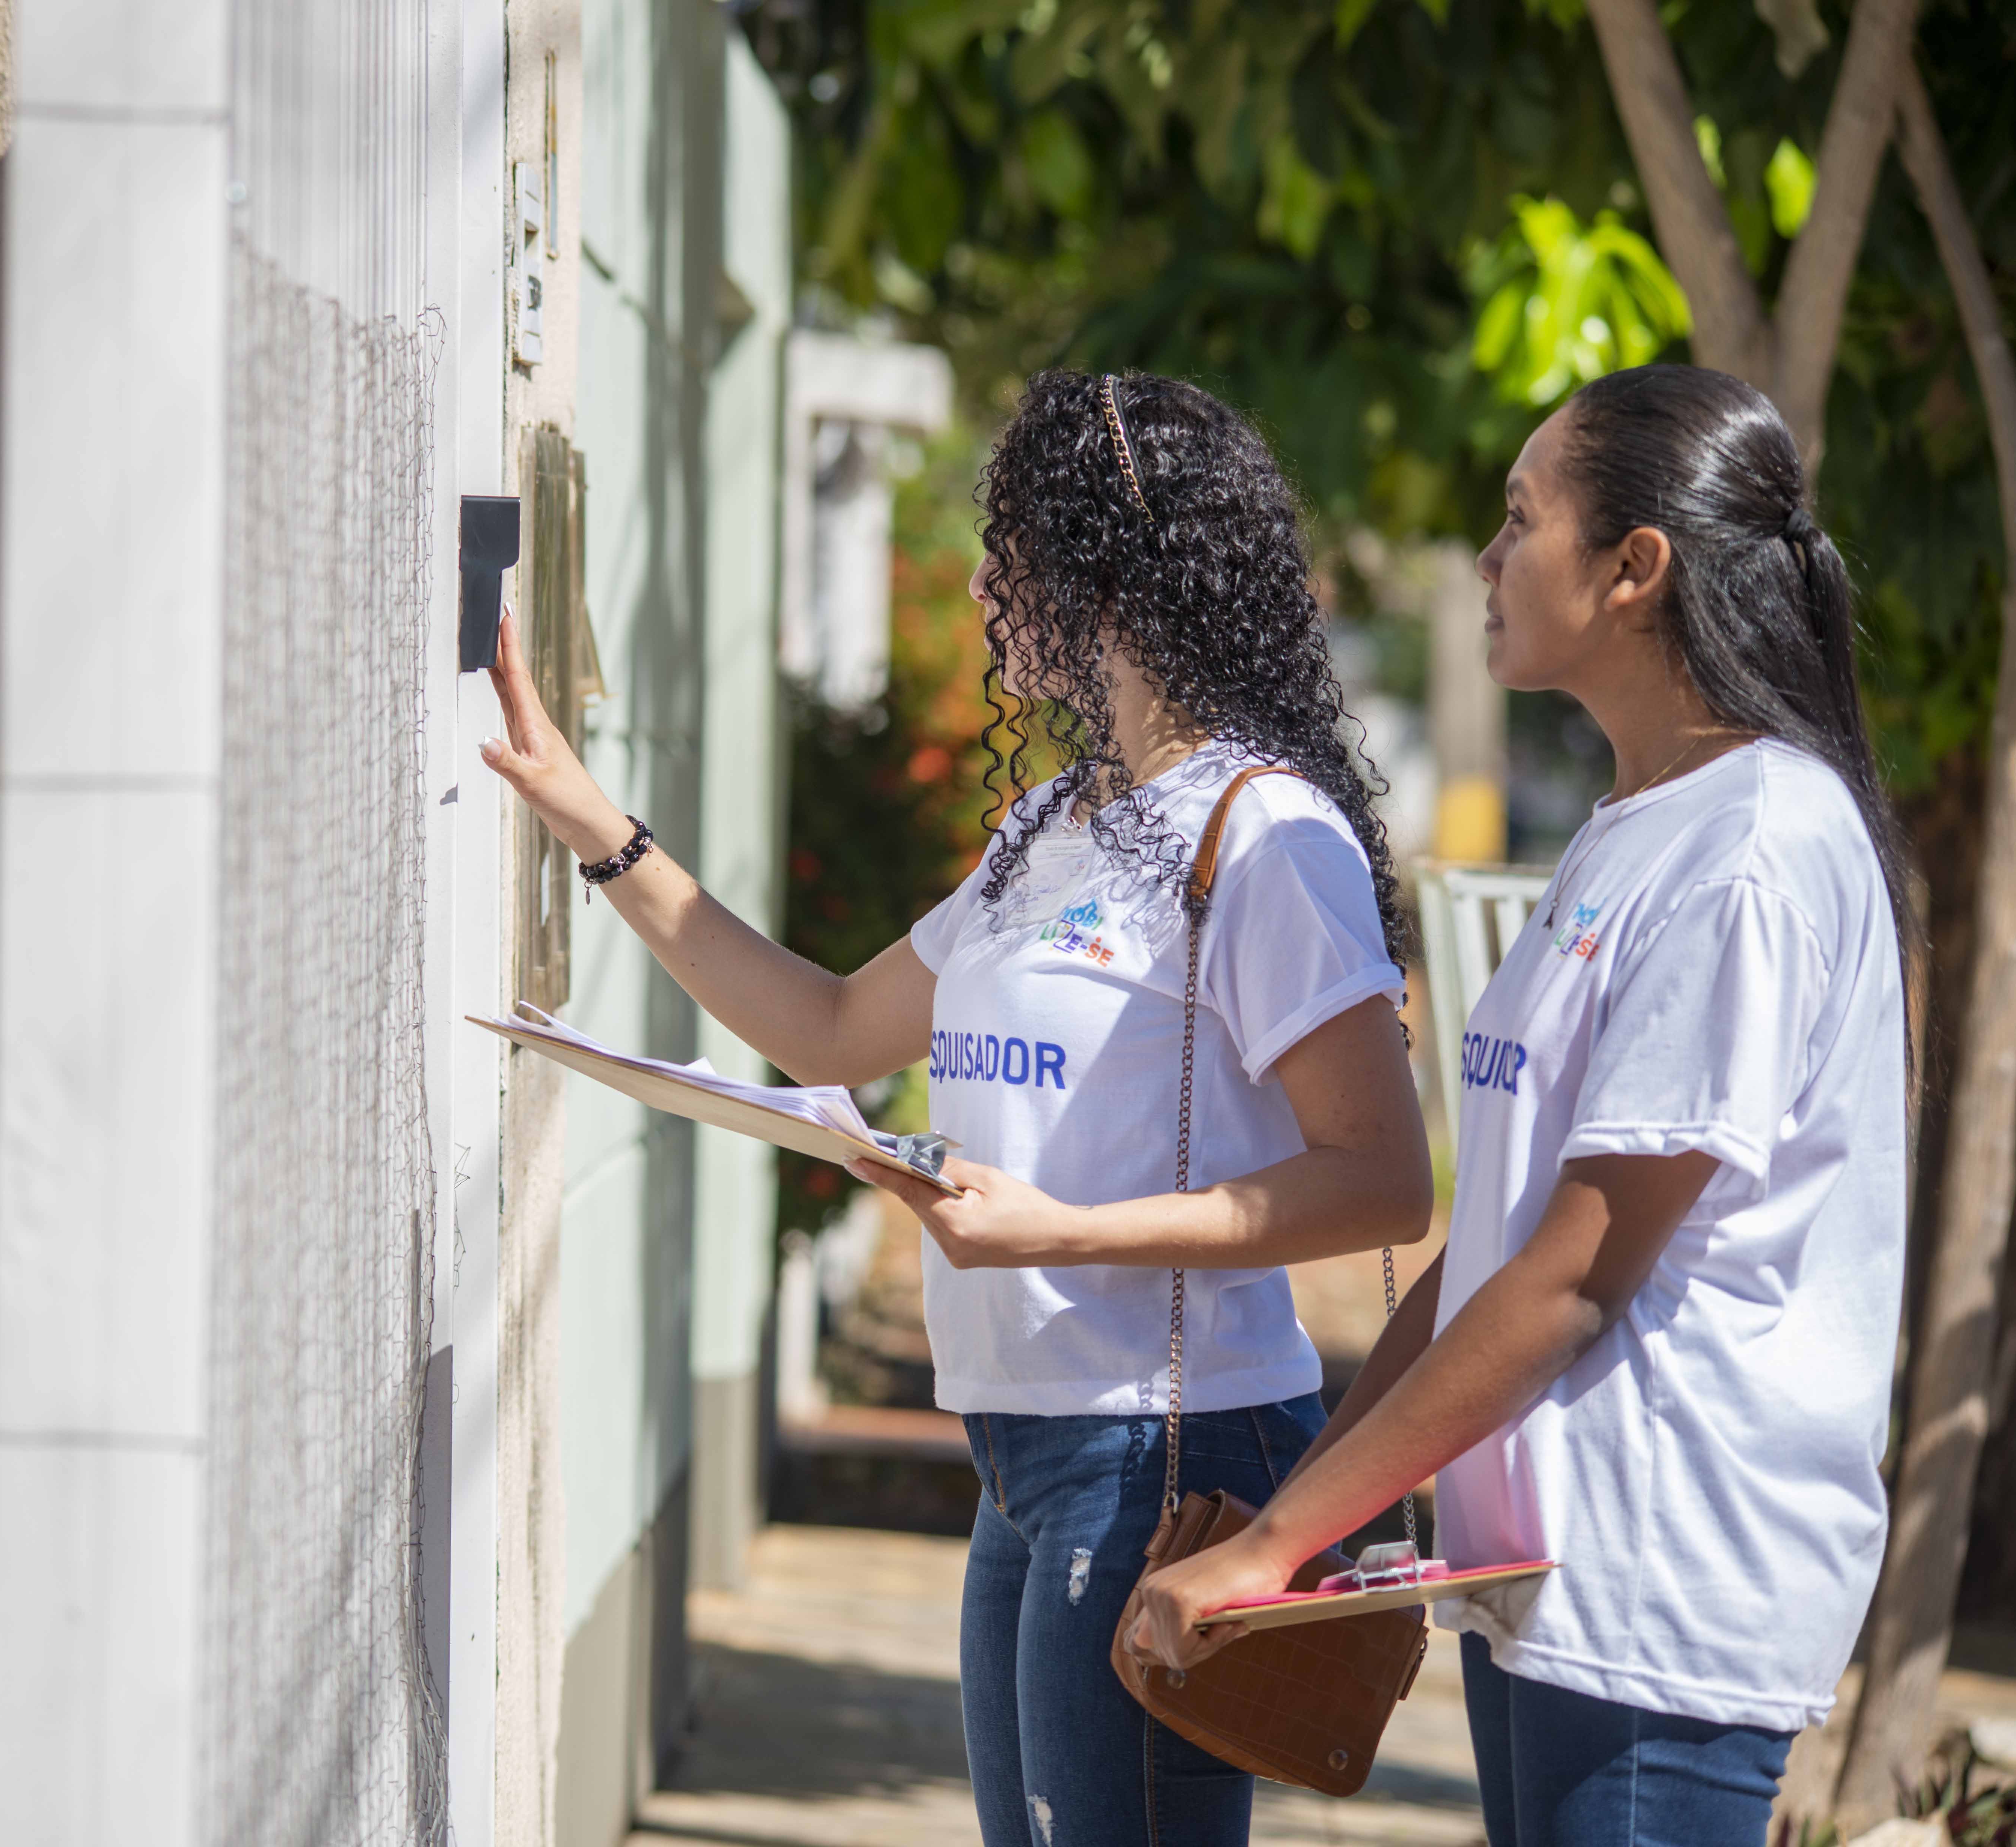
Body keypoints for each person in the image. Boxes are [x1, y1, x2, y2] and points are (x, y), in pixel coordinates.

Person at [479, 368, 1432, 1845]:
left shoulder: (1267, 838)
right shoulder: (1056, 824)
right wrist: (592, 823)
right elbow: (828, 1026)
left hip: (1164, 1452)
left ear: (1109, 578)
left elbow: (1384, 1181)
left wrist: (1061, 1229)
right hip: (1023, 1447)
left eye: (1014, 550)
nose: (985, 585)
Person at [1123, 364, 1913, 1847]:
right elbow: (1493, 1250)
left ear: (1634, 568)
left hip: (1659, 1591)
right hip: (1543, 1580)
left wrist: (1280, 1539)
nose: (1486, 560)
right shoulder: (1635, 826)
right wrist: (1323, 1515)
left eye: (1519, 518)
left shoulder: (1751, 849)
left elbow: (1572, 1277)